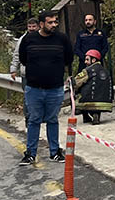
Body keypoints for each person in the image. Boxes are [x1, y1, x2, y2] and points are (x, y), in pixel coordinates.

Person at [15, 11, 74, 165]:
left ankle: (54, 152)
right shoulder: (29, 39)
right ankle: (30, 154)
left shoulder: (62, 39)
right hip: (34, 89)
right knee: (33, 120)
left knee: (52, 120)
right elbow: (23, 59)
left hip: (55, 89)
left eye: (55, 22)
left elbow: (69, 58)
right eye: (50, 22)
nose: (54, 25)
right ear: (41, 24)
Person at [73, 49, 114, 123]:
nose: (85, 62)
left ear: (94, 60)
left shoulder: (87, 70)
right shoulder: (106, 71)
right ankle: (96, 114)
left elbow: (77, 82)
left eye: (87, 59)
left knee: (78, 93)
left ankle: (86, 116)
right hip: (106, 102)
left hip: (89, 101)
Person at [9, 17, 39, 87]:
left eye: (34, 26)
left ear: (38, 26)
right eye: (29, 26)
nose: (31, 29)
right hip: (26, 73)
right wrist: (13, 70)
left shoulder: (44, 38)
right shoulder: (23, 39)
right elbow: (17, 55)